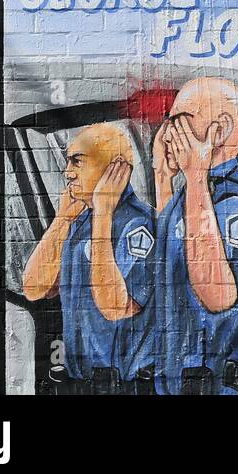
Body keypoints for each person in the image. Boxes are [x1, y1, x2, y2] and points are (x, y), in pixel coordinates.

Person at [153, 76, 238, 395]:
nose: (167, 131)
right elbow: (176, 257)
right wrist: (163, 178)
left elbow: (216, 296)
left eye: (179, 121)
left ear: (218, 130)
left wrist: (194, 175)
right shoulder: (194, 197)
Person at [21, 122, 155, 394]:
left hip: (124, 386)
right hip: (79, 381)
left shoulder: (139, 225)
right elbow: (34, 288)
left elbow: (116, 307)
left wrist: (104, 213)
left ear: (113, 168)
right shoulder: (79, 223)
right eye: (67, 162)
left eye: (77, 162)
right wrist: (63, 219)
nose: (67, 173)